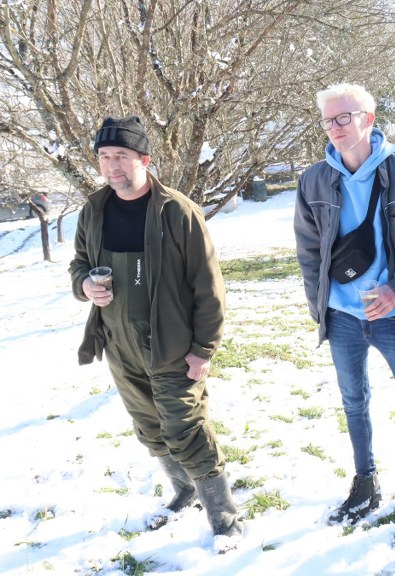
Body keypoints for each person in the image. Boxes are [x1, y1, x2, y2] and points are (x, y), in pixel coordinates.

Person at [69, 116, 243, 551]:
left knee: (187, 429)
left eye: (121, 156)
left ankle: (224, 520)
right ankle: (184, 492)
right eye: (104, 156)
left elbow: (209, 287)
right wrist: (84, 284)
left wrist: (203, 349)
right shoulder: (93, 210)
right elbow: (78, 263)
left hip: (172, 346)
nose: (112, 166)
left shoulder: (177, 211)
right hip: (119, 344)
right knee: (149, 427)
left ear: (144, 159)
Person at [293, 83, 395, 530]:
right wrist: (320, 307)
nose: (335, 127)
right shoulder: (313, 181)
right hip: (343, 318)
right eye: (328, 120)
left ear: (369, 118)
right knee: (353, 402)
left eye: (343, 117)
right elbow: (309, 252)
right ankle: (365, 482)